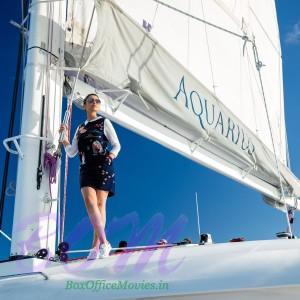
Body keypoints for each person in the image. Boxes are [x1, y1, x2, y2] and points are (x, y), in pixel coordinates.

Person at [59, 93, 121, 260]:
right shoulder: (80, 128)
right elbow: (72, 152)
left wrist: (111, 155)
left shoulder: (104, 122)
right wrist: (64, 138)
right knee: (89, 202)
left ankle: (95, 248)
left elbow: (116, 144)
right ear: (85, 105)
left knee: (101, 205)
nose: (94, 103)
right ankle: (105, 242)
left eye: (97, 101)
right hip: (86, 167)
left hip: (103, 164)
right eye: (91, 101)